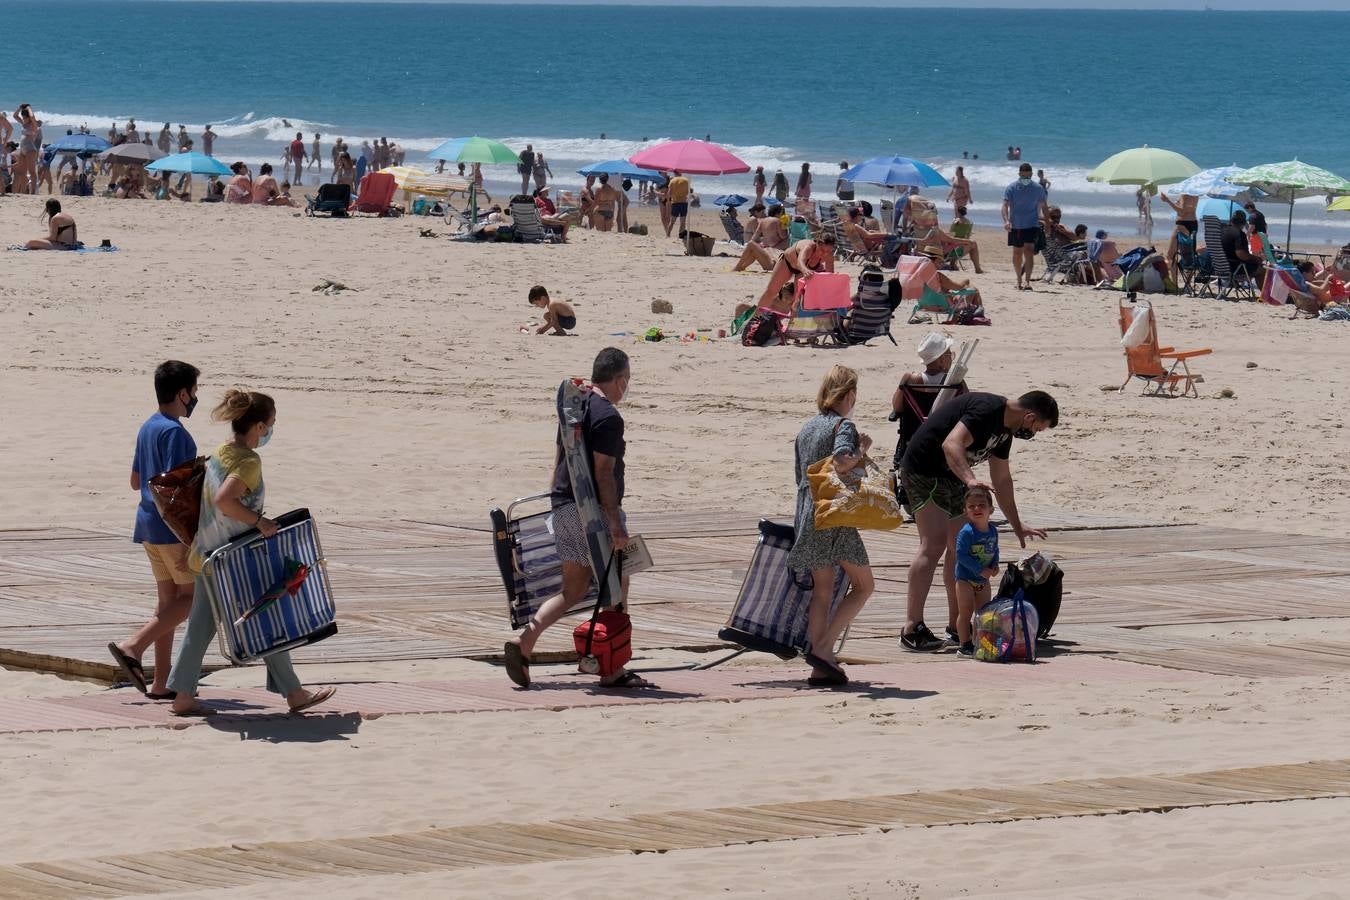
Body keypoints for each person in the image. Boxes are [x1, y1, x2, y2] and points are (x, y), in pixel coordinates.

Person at [165, 389, 337, 717]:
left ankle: (183, 695)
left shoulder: (221, 451)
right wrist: (261, 522)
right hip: (234, 560)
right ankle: (294, 693)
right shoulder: (248, 461)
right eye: (271, 424)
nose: (271, 430)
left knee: (201, 628)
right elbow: (225, 500)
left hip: (206, 555)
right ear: (258, 427)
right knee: (267, 617)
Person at [503, 348, 653, 689]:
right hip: (592, 514)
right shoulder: (609, 417)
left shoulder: (575, 404)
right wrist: (615, 524)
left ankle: (524, 642)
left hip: (563, 507)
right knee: (617, 587)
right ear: (620, 380)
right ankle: (611, 668)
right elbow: (603, 473)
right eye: (626, 381)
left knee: (573, 590)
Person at [897, 390, 1056, 652]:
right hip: (923, 468)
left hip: (952, 475)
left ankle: (956, 627)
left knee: (960, 547)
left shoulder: (1005, 431)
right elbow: (951, 444)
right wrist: (970, 480)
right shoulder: (986, 410)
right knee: (933, 544)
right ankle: (912, 628)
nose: (1033, 434)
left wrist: (1017, 525)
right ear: (1029, 417)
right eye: (1037, 428)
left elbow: (1002, 480)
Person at [107, 361, 201, 699]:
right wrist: (192, 539)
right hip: (170, 530)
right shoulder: (176, 434)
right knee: (192, 599)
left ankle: (161, 684)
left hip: (146, 525)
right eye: (193, 391)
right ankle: (133, 645)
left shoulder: (148, 427)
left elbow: (135, 482)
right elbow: (181, 493)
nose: (194, 398)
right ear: (182, 393)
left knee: (167, 608)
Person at [787, 365, 876, 687]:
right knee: (865, 586)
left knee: (823, 592)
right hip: (833, 516)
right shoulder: (844, 425)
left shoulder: (808, 427)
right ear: (849, 394)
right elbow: (841, 461)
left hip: (806, 513)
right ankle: (823, 651)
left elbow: (800, 474)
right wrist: (862, 450)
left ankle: (820, 667)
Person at [890, 332, 968, 642]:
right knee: (948, 546)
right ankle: (954, 621)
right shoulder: (956, 384)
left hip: (913, 452)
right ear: (941, 357)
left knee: (935, 544)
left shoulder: (910, 378)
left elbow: (896, 408)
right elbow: (965, 417)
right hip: (942, 462)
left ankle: (926, 622)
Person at [953, 485, 1000, 658]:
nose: (977, 509)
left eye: (981, 505)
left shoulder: (993, 530)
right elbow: (961, 555)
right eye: (971, 506)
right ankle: (964, 644)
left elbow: (995, 550)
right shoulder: (967, 532)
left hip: (983, 580)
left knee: (982, 614)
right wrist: (980, 570)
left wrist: (994, 565)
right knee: (965, 612)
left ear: (991, 510)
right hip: (965, 579)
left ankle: (979, 642)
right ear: (966, 511)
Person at [1002, 162, 1050, 290]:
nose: (1026, 179)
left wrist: (1048, 224)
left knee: (1029, 251)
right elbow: (1005, 206)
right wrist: (1006, 220)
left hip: (1032, 224)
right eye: (1023, 177)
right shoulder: (1011, 188)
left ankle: (1027, 281)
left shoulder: (1038, 189)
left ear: (1031, 175)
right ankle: (1019, 280)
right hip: (1015, 225)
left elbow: (1044, 207)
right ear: (1019, 174)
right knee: (1017, 253)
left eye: (1028, 177)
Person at [754, 232, 835, 307]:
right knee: (771, 291)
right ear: (817, 244)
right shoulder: (808, 247)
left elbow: (829, 276)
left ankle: (793, 321)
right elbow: (800, 262)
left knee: (798, 298)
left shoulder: (829, 256)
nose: (824, 253)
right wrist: (805, 270)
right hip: (788, 263)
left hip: (804, 270)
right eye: (822, 250)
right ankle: (756, 316)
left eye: (828, 251)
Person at [1158, 191, 1198, 278]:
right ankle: (1187, 285)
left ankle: (1175, 284)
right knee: (1190, 255)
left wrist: (1167, 200)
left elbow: (1181, 211)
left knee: (1170, 256)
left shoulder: (1185, 194)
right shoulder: (1195, 193)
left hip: (1183, 224)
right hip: (1193, 224)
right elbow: (1188, 209)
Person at [1221, 210, 1263, 284]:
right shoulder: (1239, 234)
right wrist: (1256, 258)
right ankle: (1264, 295)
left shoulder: (1221, 230)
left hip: (1216, 267)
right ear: (1243, 223)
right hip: (1234, 268)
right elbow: (1241, 254)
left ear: (1231, 220)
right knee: (1261, 270)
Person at [666, 170, 691, 237]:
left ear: (674, 173)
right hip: (684, 203)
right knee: (683, 222)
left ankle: (668, 235)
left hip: (675, 203)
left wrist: (668, 202)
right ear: (681, 173)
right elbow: (689, 191)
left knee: (672, 221)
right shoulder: (686, 180)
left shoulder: (672, 181)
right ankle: (681, 235)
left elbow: (669, 193)